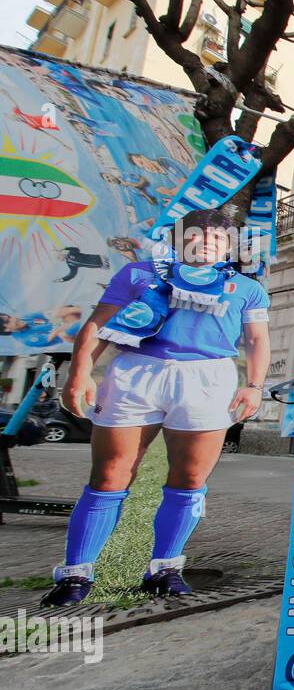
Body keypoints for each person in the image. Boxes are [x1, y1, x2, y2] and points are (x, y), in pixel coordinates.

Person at [43, 209, 269, 605]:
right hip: (137, 372)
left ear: (229, 247)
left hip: (208, 378)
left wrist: (255, 386)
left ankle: (165, 567)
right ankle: (76, 574)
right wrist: (80, 373)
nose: (206, 243)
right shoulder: (139, 274)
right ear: (179, 239)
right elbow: (96, 326)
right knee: (111, 473)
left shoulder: (247, 288)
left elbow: (256, 341)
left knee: (190, 478)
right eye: (196, 236)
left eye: (217, 239)